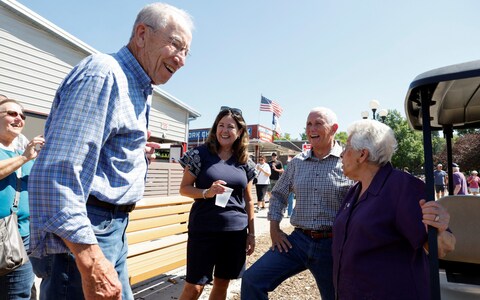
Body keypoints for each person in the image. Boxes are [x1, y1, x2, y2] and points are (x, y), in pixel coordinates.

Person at [28, 3, 194, 300]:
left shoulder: (138, 87)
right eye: (176, 45)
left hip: (112, 230)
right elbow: (57, 174)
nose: (181, 60)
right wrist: (91, 261)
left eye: (186, 53)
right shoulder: (104, 74)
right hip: (85, 235)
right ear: (142, 34)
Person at [241, 107, 456, 300]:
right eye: (308, 124)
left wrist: (441, 228)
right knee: (252, 279)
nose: (311, 128)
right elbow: (278, 195)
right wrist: (274, 229)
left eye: (318, 123)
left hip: (335, 248)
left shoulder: (394, 185)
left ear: (362, 154)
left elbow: (439, 244)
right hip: (300, 241)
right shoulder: (347, 184)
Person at [332, 119, 455, 299]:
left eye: (346, 148)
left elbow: (444, 247)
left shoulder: (402, 187)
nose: (342, 154)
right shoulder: (355, 191)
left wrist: (440, 228)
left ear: (362, 155)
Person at [178, 107, 256, 300]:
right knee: (195, 286)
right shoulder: (199, 155)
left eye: (231, 126)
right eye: (221, 125)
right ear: (215, 129)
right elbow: (184, 188)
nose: (225, 130)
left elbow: (248, 200)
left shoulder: (245, 161)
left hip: (235, 233)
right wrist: (207, 192)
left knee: (222, 284)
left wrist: (251, 233)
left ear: (239, 132)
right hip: (204, 230)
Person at [0, 98, 45, 299]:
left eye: (22, 115)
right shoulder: (24, 156)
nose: (19, 118)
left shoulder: (23, 153)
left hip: (20, 238)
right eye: (11, 113)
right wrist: (25, 157)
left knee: (18, 294)